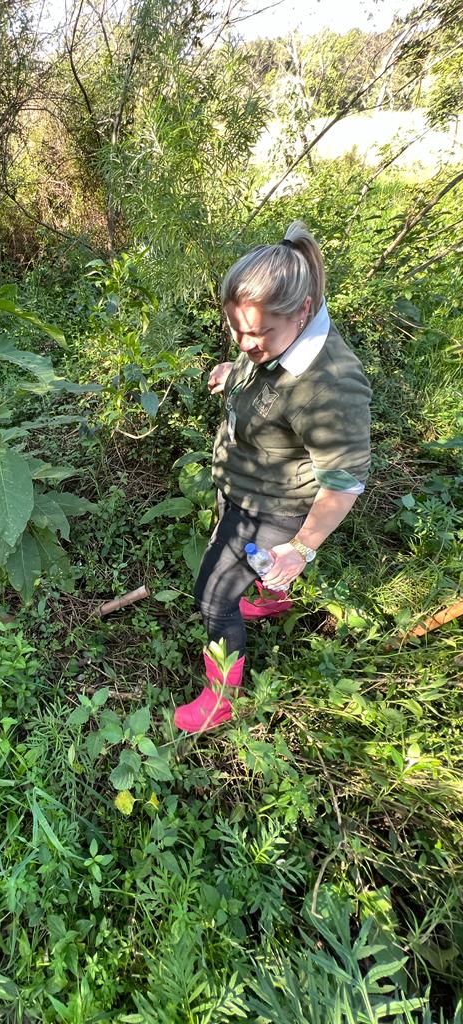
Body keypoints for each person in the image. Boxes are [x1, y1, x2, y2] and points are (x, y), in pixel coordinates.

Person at [174, 221, 371, 734]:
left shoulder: (330, 385)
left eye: (259, 334)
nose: (245, 342)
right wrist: (235, 371)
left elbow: (344, 481)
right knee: (239, 571)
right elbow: (265, 376)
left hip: (274, 508)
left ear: (302, 311)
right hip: (245, 487)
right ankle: (271, 595)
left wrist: (301, 548)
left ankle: (221, 699)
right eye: (236, 329)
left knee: (213, 595)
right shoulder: (274, 340)